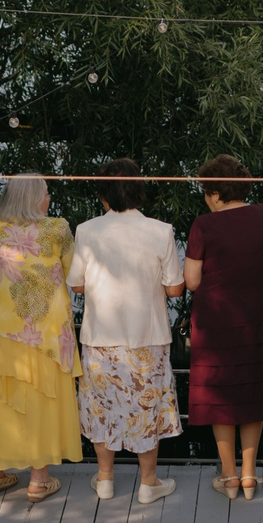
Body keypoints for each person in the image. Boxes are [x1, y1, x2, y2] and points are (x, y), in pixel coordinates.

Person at [68, 158, 185, 505]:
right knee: (146, 408)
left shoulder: (86, 230)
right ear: (139, 188)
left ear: (103, 194)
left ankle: (105, 479)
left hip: (100, 338)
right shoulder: (161, 230)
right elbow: (175, 288)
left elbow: (76, 285)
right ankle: (148, 483)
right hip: (146, 336)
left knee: (102, 407)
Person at [0, 173, 80, 503]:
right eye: (46, 192)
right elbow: (75, 276)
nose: (48, 198)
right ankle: (38, 481)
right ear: (35, 198)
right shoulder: (56, 228)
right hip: (44, 332)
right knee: (41, 400)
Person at [184, 154, 263, 498]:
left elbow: (192, 281)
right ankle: (250, 475)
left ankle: (228, 476)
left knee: (219, 393)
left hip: (214, 320)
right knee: (252, 387)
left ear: (213, 192)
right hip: (255, 313)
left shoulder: (203, 225)